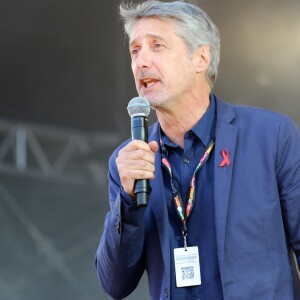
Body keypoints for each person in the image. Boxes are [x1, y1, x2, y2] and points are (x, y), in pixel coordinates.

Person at [95, 1, 300, 299]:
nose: (141, 62)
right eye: (135, 50)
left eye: (157, 46)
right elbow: (114, 284)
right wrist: (127, 203)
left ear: (201, 57)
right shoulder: (130, 162)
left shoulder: (271, 136)